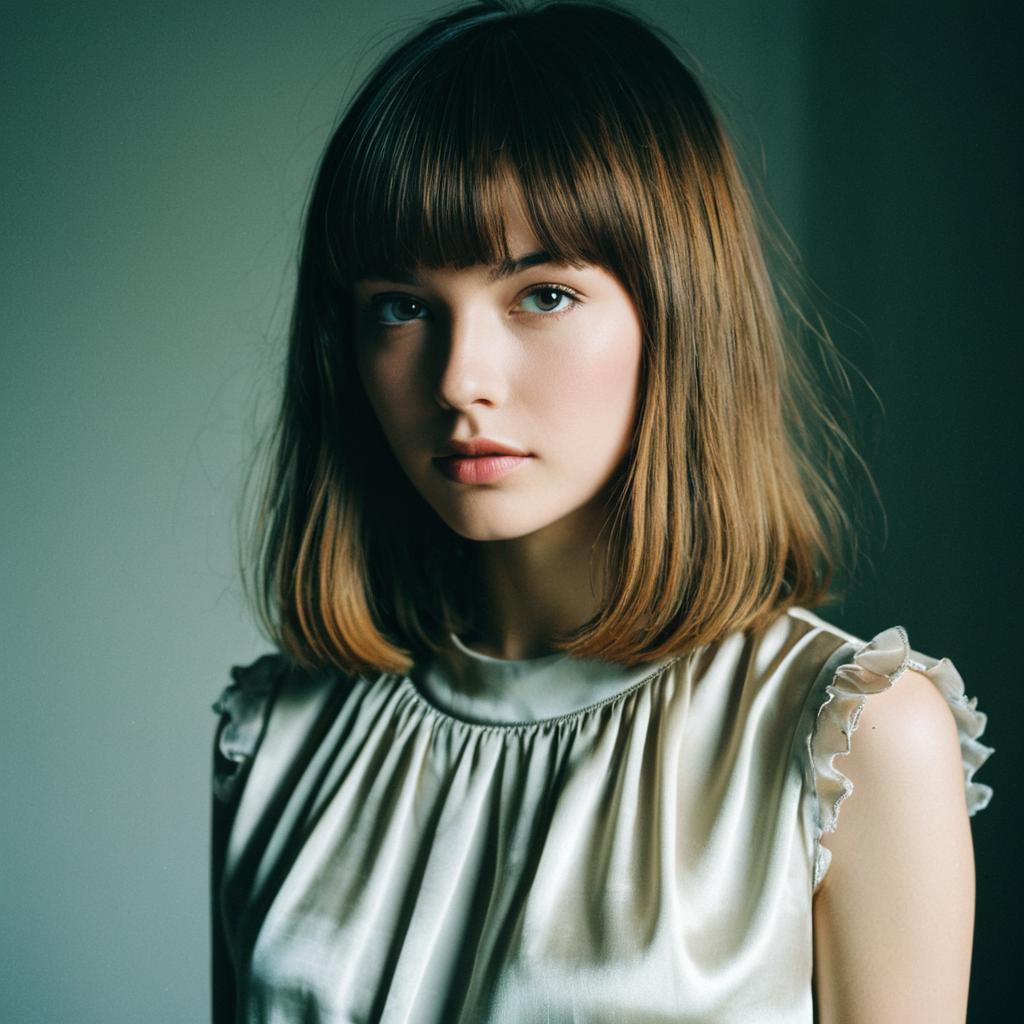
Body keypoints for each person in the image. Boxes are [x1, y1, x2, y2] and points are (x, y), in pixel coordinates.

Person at [209, 1, 995, 1021]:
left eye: (540, 294)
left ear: (676, 309)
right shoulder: (272, 734)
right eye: (400, 306)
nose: (460, 379)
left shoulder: (855, 739)